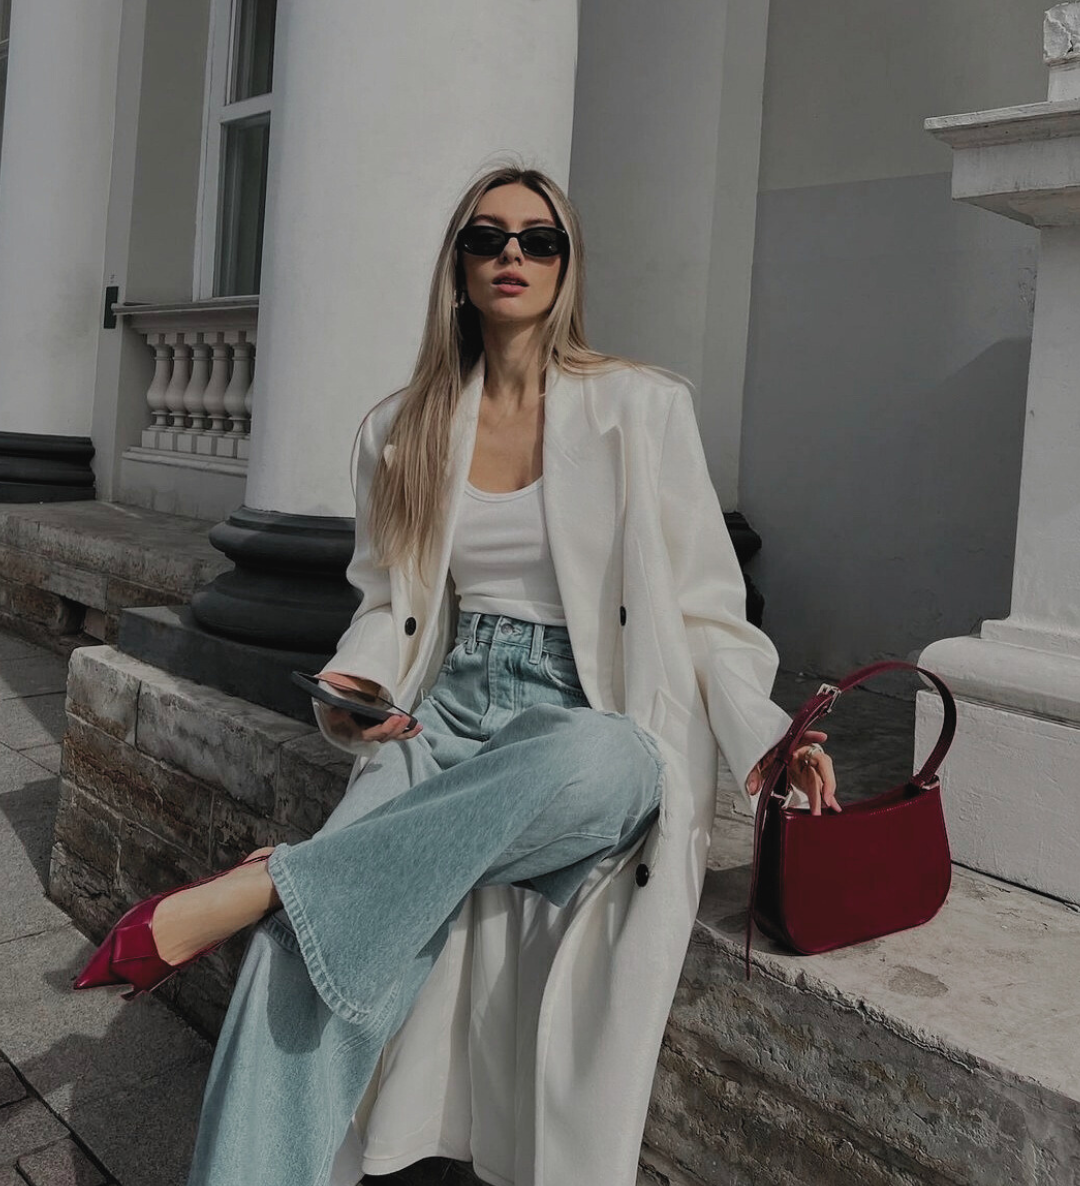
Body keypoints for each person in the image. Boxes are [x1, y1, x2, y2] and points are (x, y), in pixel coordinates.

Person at [74, 164, 840, 1186]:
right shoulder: (401, 430)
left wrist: (770, 731)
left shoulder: (641, 409)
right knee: (306, 951)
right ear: (460, 269)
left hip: (585, 716)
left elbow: (708, 606)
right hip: (442, 718)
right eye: (488, 239)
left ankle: (266, 884)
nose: (513, 256)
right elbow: (389, 606)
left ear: (567, 267)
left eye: (539, 239)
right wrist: (358, 694)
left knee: (600, 756)